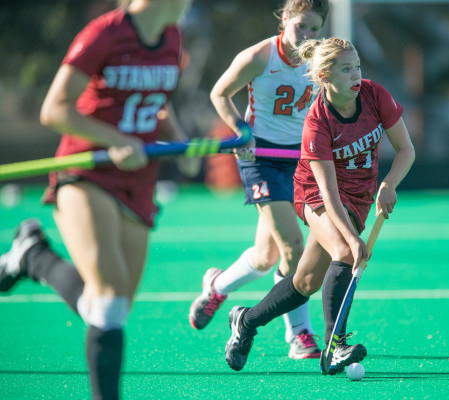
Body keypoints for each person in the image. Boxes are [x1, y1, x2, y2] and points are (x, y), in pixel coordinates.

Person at [0, 0, 201, 398]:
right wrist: (117, 140)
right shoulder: (103, 34)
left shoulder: (172, 38)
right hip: (86, 172)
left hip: (138, 183)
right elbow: (54, 109)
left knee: (111, 305)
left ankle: (34, 257)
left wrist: (181, 144)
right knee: (109, 301)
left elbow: (156, 103)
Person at [223, 37, 415, 374]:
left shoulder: (375, 95)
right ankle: (335, 346)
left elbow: (406, 150)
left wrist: (388, 184)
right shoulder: (317, 122)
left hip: (360, 196)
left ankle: (246, 321)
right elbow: (327, 192)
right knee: (344, 250)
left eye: (356, 66)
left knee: (306, 282)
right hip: (315, 194)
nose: (356, 74)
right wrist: (354, 239)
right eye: (345, 69)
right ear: (325, 76)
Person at [188, 0, 329, 360]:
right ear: (285, 19)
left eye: (315, 29)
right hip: (261, 159)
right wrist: (241, 131)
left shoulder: (320, 59)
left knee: (268, 256)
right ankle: (299, 334)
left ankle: (216, 286)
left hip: (297, 160)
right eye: (302, 27)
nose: (308, 36)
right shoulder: (259, 56)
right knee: (294, 248)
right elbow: (219, 93)